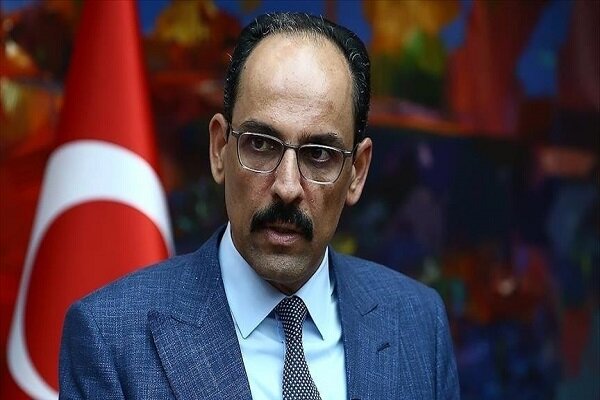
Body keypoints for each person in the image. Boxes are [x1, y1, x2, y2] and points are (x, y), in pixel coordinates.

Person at [59, 12, 460, 400]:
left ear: (356, 172)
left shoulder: (419, 324)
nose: (287, 187)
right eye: (261, 144)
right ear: (219, 149)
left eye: (319, 154)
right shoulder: (111, 338)